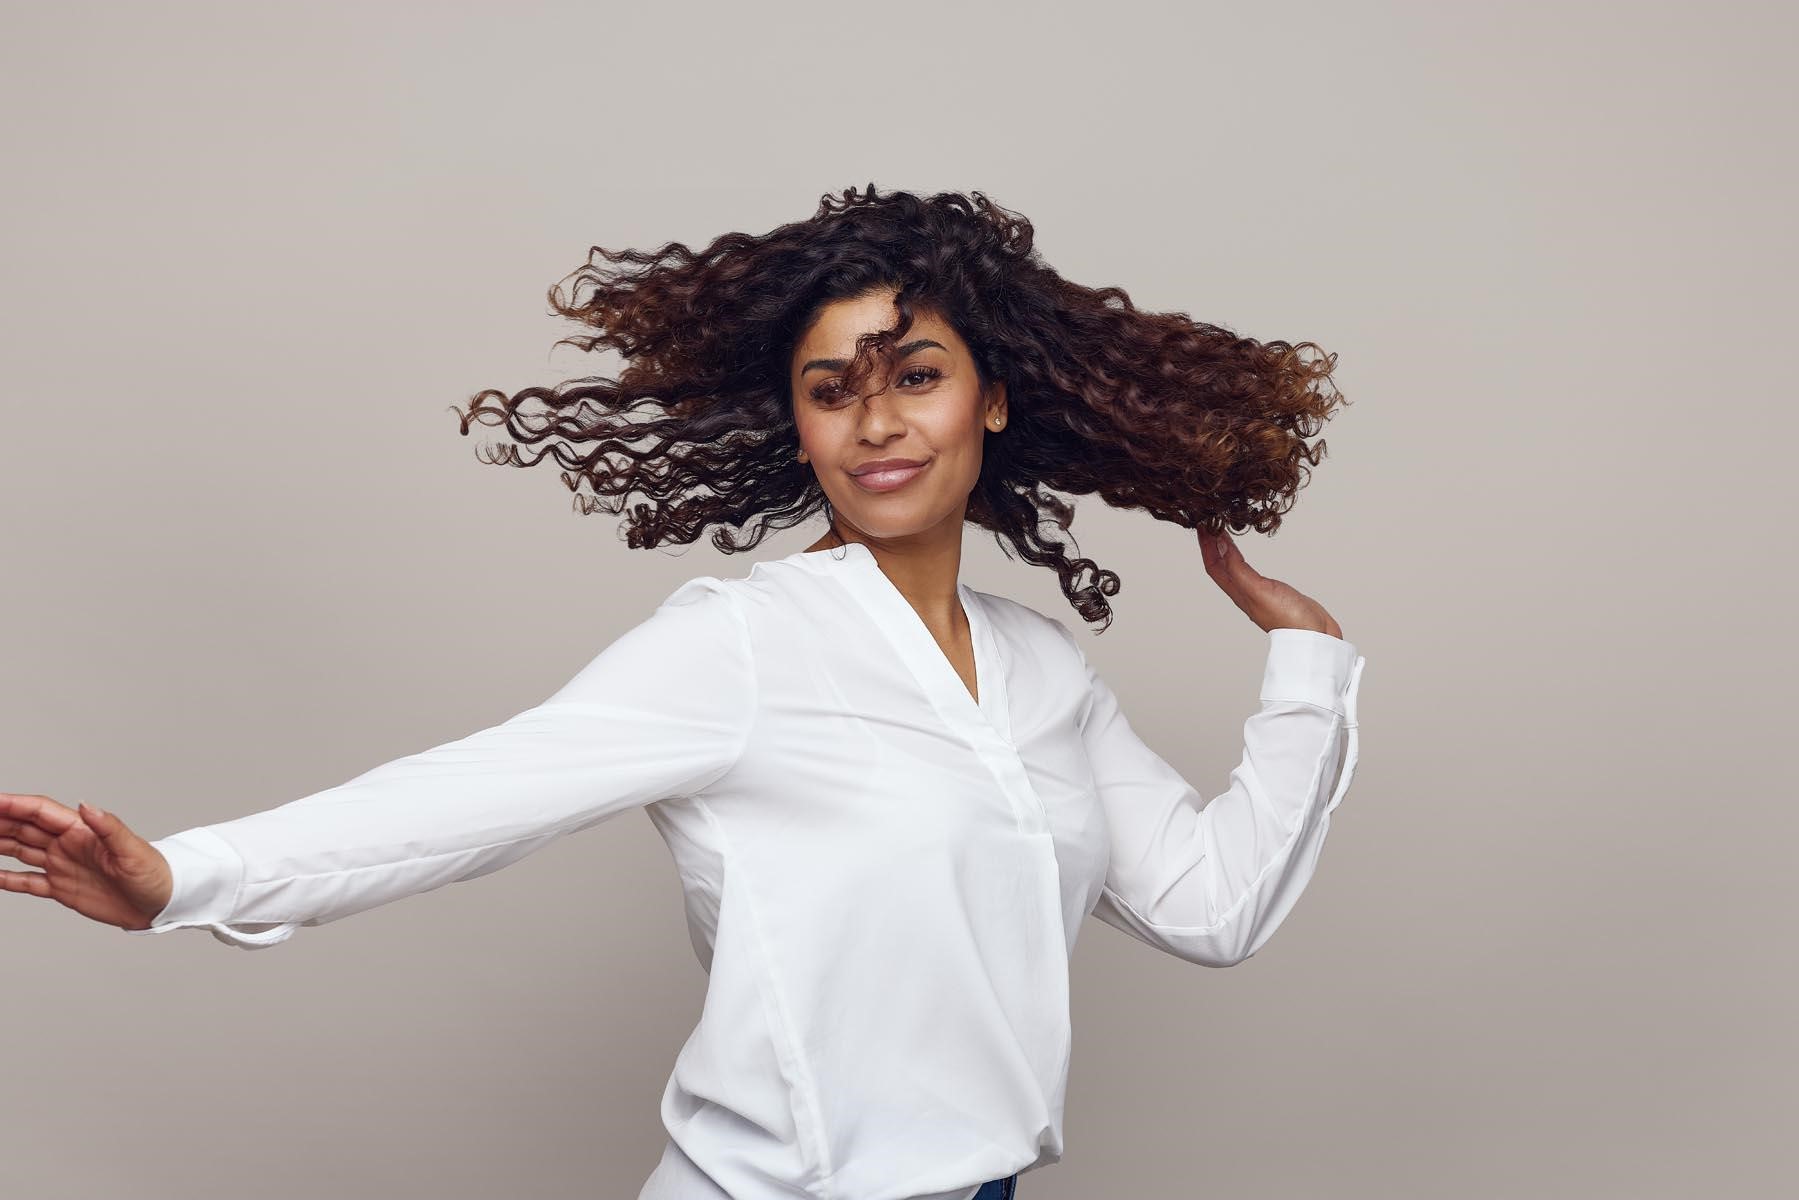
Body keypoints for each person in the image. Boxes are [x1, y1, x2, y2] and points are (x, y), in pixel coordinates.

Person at [0, 185, 1365, 1200]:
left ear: (991, 402)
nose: (877, 422)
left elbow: (1213, 907)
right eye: (833, 391)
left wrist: (1305, 664)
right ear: (801, 427)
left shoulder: (1042, 667)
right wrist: (187, 879)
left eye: (917, 378)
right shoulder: (747, 644)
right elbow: (475, 794)